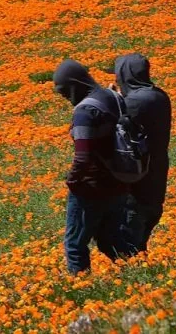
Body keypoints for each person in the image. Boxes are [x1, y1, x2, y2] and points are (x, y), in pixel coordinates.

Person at [52, 59, 132, 275]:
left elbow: (83, 156)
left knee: (75, 244)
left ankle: (81, 287)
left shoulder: (85, 111)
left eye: (65, 91)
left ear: (74, 84)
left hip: (91, 187)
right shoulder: (111, 96)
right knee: (110, 238)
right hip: (118, 180)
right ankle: (142, 273)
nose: (65, 97)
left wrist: (72, 181)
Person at [114, 53, 171, 251]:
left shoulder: (134, 102)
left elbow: (111, 124)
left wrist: (114, 99)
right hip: (156, 182)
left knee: (127, 248)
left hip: (136, 186)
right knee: (138, 245)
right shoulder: (159, 95)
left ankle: (138, 279)